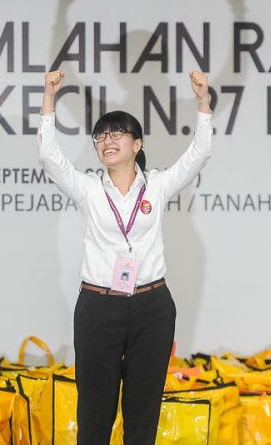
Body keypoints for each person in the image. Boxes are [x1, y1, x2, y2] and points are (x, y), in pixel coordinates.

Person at [38, 69, 212, 445]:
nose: (107, 141)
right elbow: (50, 159)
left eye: (117, 133)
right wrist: (49, 99)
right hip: (99, 306)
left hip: (153, 305)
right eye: (100, 136)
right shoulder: (88, 189)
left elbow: (199, 155)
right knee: (95, 412)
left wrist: (202, 102)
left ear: (138, 144)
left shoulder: (159, 185)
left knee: (143, 411)